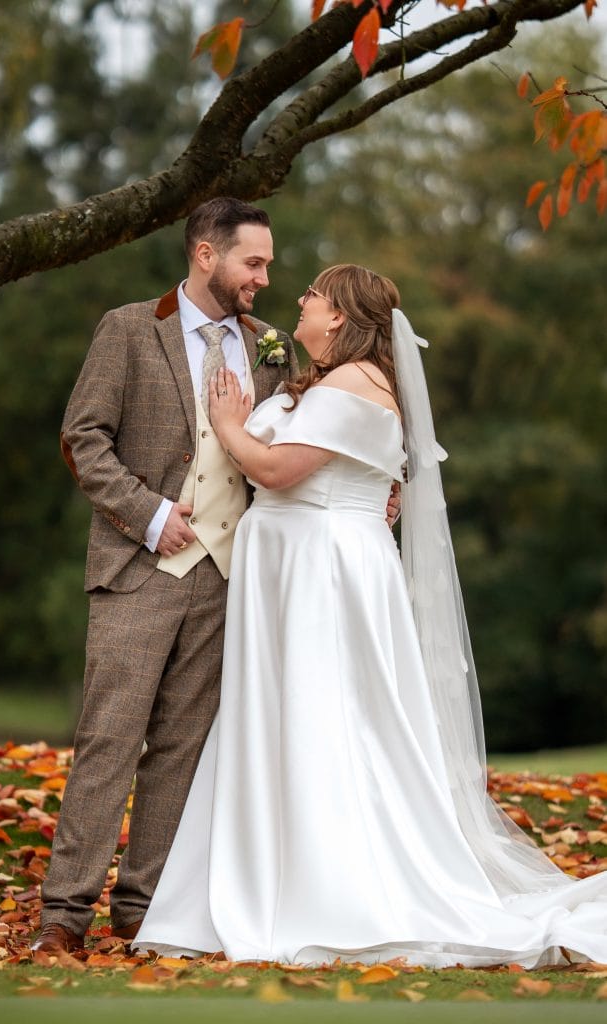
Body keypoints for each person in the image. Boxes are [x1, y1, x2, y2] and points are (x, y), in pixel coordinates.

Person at [133, 264, 607, 968]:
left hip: (322, 570)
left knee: (325, 718)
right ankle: (273, 877)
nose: (299, 299)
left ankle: (328, 892)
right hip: (297, 565)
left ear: (342, 316)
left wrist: (232, 426)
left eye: (314, 296)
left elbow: (276, 470)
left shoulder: (357, 384)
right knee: (293, 717)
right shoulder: (331, 379)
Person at [30, 197, 308, 957]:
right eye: (253, 263)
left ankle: (144, 907)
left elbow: (317, 427)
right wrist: (149, 516)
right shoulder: (127, 329)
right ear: (204, 255)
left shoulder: (273, 348)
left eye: (268, 265)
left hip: (226, 576)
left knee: (181, 748)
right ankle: (64, 915)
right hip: (138, 567)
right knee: (108, 741)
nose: (263, 278)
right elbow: (83, 439)